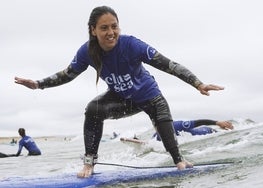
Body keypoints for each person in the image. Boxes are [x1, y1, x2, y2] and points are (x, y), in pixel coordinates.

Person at [14, 6, 224, 178]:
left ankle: (179, 161)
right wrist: (38, 84)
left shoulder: (132, 45)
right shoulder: (87, 51)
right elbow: (67, 74)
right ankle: (89, 164)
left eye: (114, 27)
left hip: (151, 97)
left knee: (176, 156)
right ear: (93, 30)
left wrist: (197, 83)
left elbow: (168, 64)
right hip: (123, 100)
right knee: (93, 109)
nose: (111, 32)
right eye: (104, 28)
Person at [153, 119, 234, 141]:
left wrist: (218, 123)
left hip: (207, 132)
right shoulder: (157, 135)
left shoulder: (177, 125)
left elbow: (199, 122)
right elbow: (151, 144)